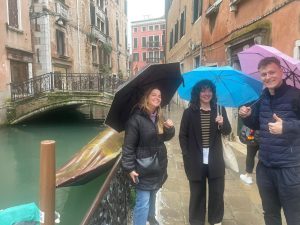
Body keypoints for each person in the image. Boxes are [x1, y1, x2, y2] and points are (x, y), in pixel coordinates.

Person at [239, 57, 300, 225]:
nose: (268, 77)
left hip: (289, 169)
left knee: (294, 216)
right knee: (270, 214)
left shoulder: (296, 96)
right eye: (264, 74)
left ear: (281, 72)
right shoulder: (263, 97)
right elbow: (256, 124)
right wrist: (246, 116)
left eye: (272, 72)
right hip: (265, 167)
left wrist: (286, 127)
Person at [179, 80, 232, 225]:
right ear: (198, 93)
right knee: (197, 192)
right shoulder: (189, 112)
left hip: (215, 158)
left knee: (217, 192)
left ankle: (216, 219)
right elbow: (183, 135)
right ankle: (196, 220)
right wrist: (186, 155)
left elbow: (228, 131)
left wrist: (222, 123)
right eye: (203, 90)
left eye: (209, 90)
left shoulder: (219, 109)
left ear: (213, 93)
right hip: (195, 159)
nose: (206, 93)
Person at [121, 87, 175, 225]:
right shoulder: (135, 119)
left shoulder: (158, 116)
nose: (158, 98)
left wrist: (170, 129)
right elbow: (128, 146)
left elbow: (164, 138)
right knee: (143, 202)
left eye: (160, 95)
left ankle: (151, 218)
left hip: (158, 165)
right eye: (154, 95)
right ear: (146, 97)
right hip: (143, 168)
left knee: (153, 195)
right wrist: (129, 168)